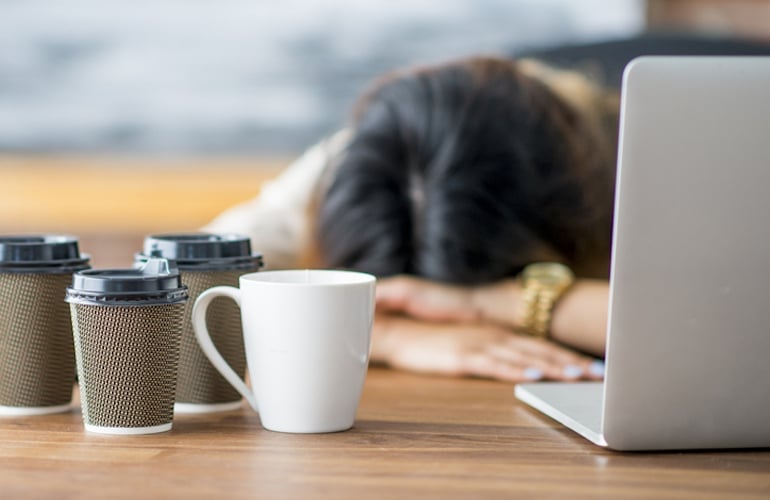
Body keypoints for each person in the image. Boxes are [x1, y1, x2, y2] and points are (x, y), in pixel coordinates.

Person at [202, 56, 619, 383]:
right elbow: (177, 299)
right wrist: (386, 337)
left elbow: (682, 328)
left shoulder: (632, 150)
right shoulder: (355, 164)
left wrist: (491, 302)